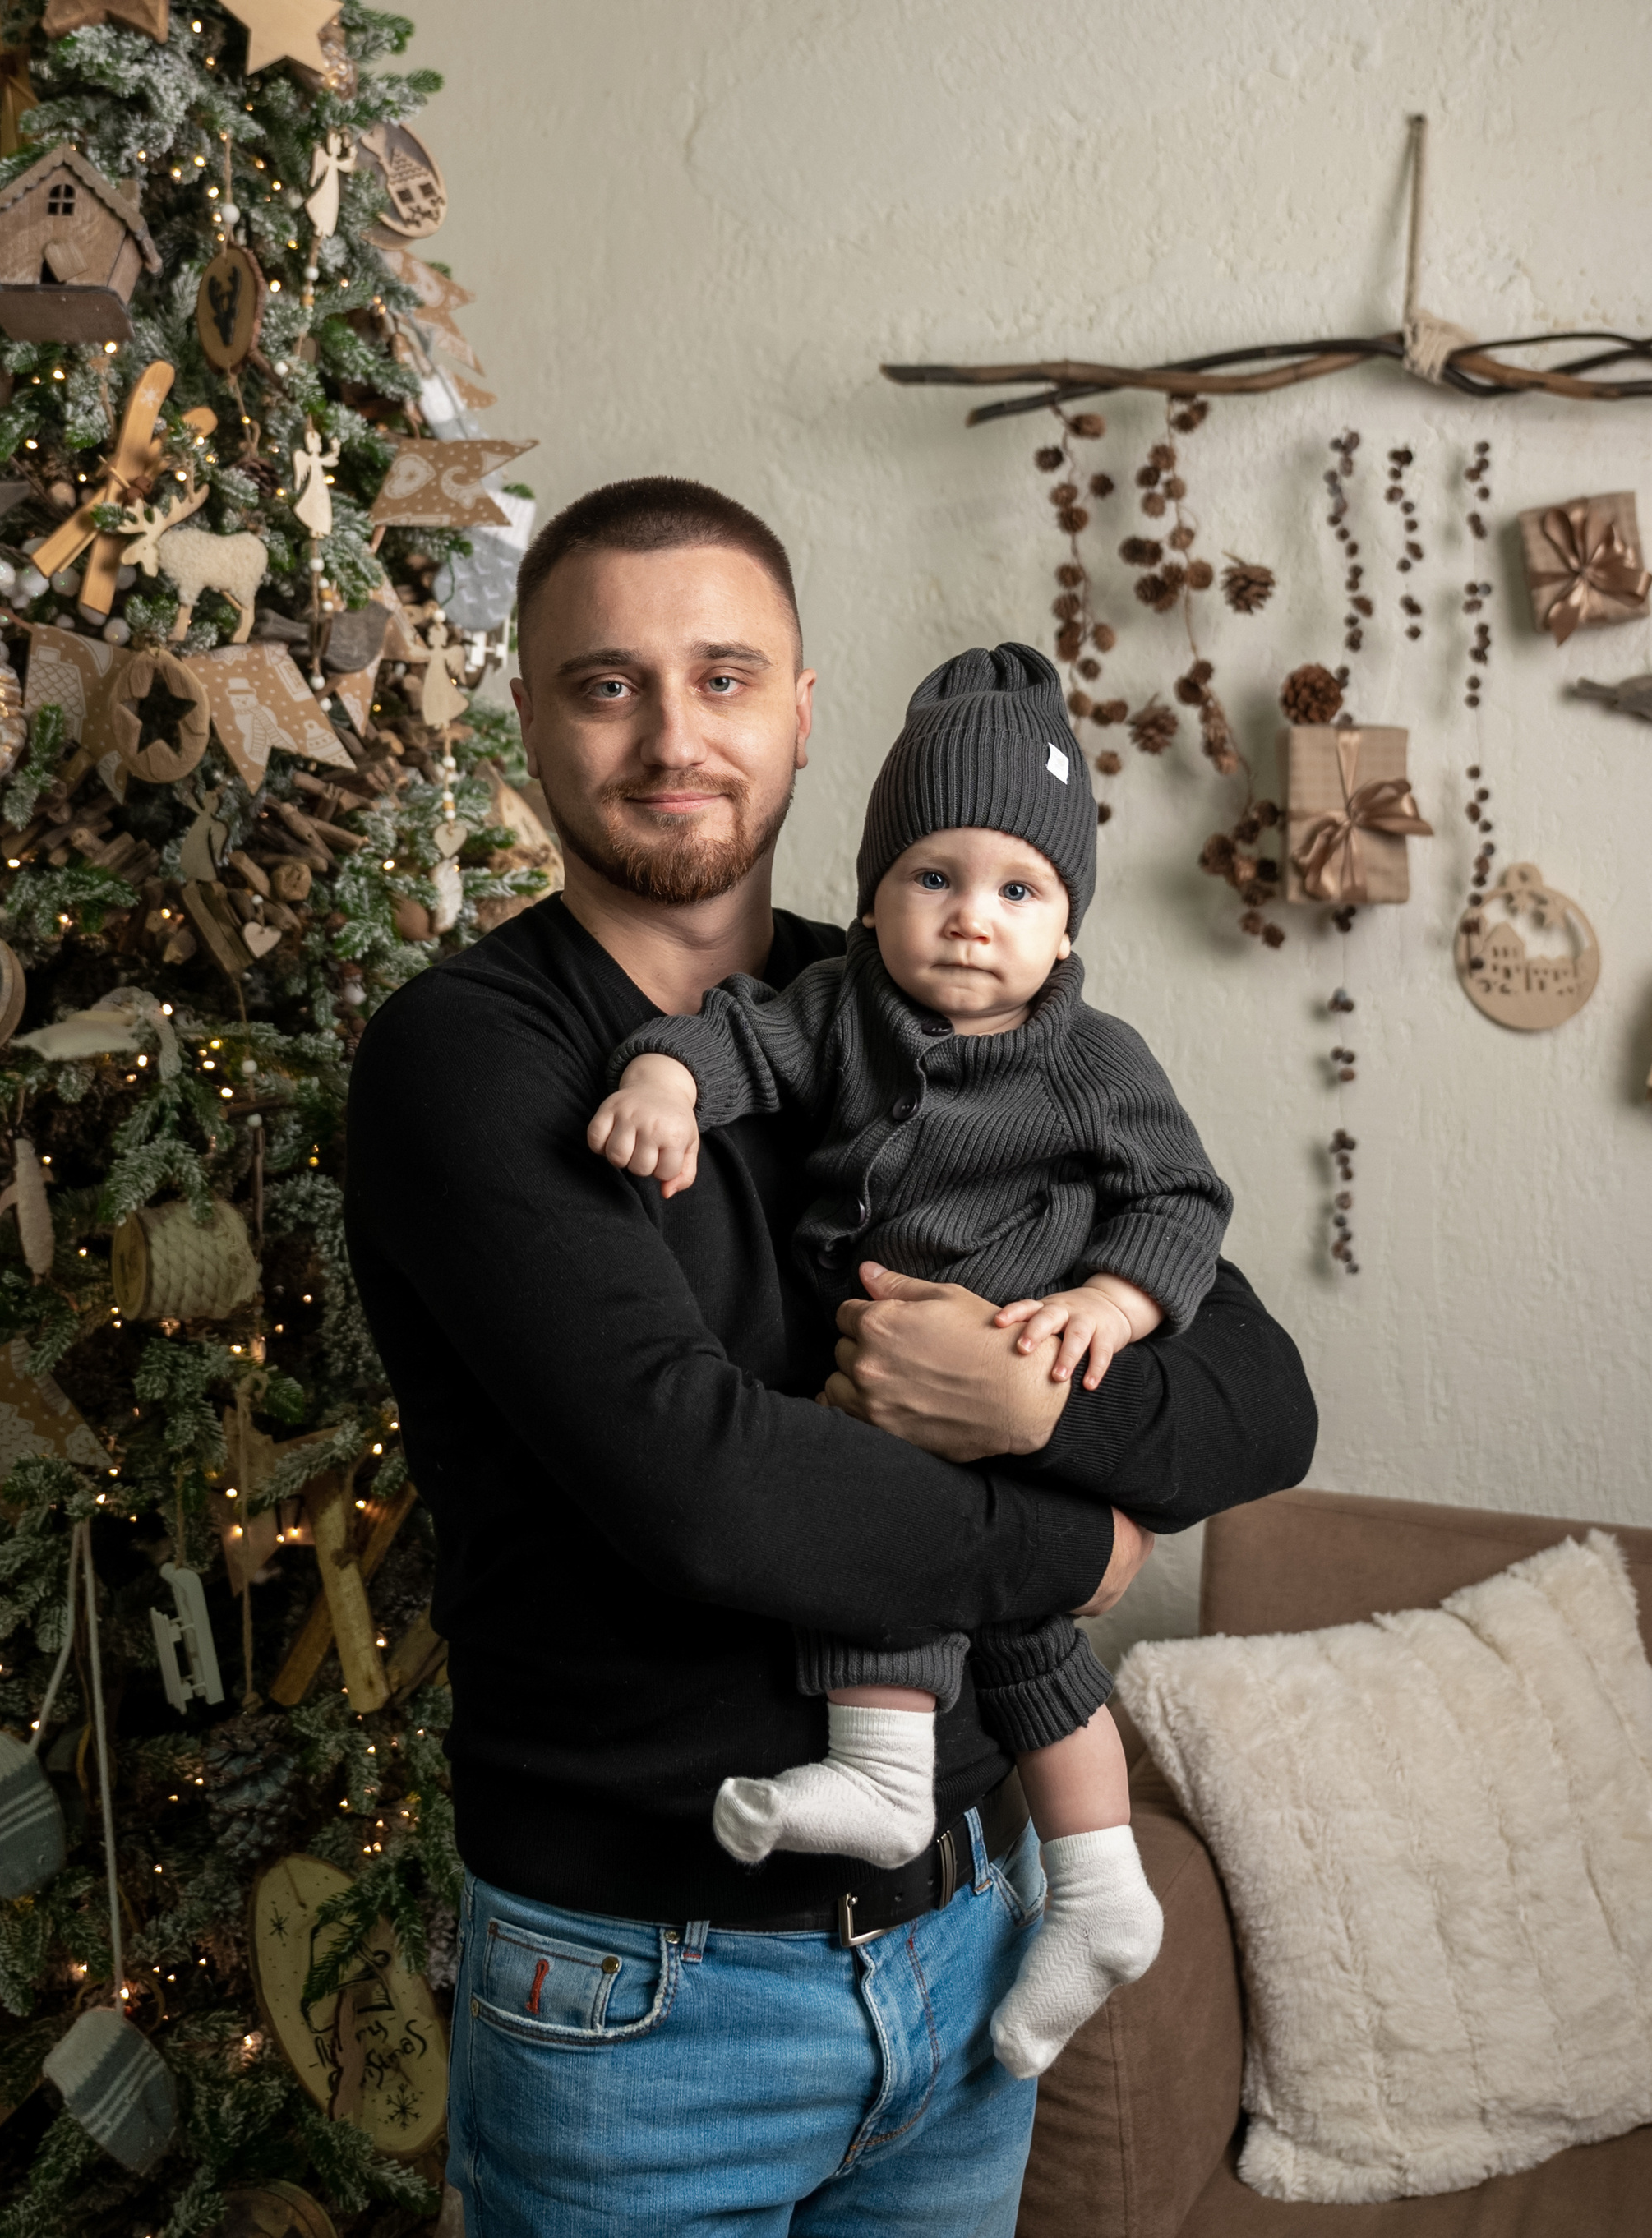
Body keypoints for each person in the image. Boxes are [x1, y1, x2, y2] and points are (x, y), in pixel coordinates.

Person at [344, 478, 1317, 2237]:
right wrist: (1079, 1541)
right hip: (643, 1996)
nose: (668, 737)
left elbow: (1253, 1396)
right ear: (527, 720)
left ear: (803, 715)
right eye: (602, 684)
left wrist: (1031, 1396)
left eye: (723, 679)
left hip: (963, 1953)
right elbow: (705, 1488)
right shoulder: (465, 1061)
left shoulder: (921, 984)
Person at [585, 639, 1230, 2079]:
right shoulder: (840, 1009)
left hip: (1008, 1359)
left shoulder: (1092, 1061)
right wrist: (660, 1083)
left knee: (897, 1534)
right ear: (873, 896)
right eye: (931, 879)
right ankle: (1105, 1886)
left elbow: (1181, 1203)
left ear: (1067, 930)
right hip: (885, 1382)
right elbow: (733, 1038)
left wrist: (1113, 1311)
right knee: (1017, 1629)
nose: (969, 921)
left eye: (1019, 891)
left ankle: (886, 1779)